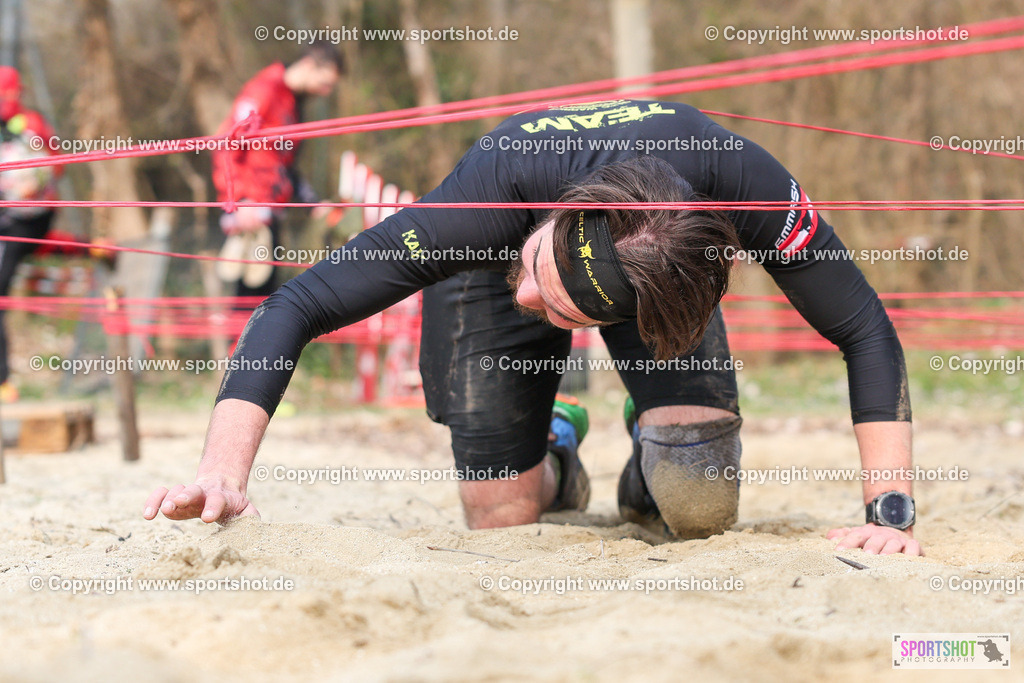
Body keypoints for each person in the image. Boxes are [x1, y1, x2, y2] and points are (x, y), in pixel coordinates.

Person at [146, 99, 922, 556]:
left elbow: (865, 329)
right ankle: (557, 440)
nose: (536, 308)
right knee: (502, 517)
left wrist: (888, 509)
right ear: (565, 214)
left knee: (697, 508)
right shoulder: (483, 202)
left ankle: (652, 437)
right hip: (494, 250)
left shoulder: (746, 184)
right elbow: (295, 306)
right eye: (546, 287)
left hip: (657, 267)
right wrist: (222, 471)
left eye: (561, 314)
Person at [211, 41, 343, 299]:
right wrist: (241, 201)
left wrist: (312, 203)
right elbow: (227, 145)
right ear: (308, 65)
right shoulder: (264, 90)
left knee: (266, 299)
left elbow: (284, 167)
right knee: (250, 302)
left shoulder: (292, 104)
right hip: (251, 213)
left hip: (272, 213)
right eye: (325, 82)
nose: (325, 92)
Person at [0, 65, 61, 402]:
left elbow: (50, 168)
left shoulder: (31, 125)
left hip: (27, 216)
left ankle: (2, 381)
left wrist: (23, 187)